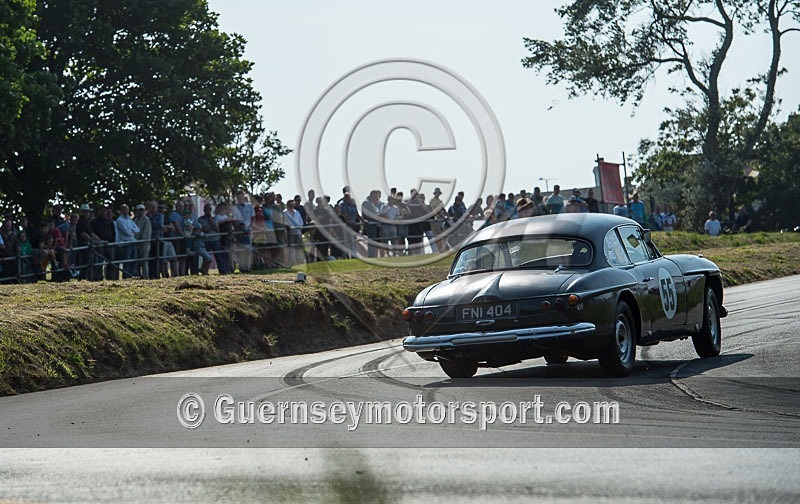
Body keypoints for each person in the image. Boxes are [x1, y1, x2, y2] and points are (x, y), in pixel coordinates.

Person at [114, 204, 140, 279]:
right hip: (125, 244)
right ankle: (126, 276)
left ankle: (131, 275)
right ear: (121, 211)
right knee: (127, 261)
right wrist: (132, 231)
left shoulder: (129, 220)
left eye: (127, 209)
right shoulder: (119, 220)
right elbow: (127, 232)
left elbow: (137, 229)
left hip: (132, 242)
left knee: (133, 260)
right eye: (124, 209)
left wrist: (131, 230)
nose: (126, 211)